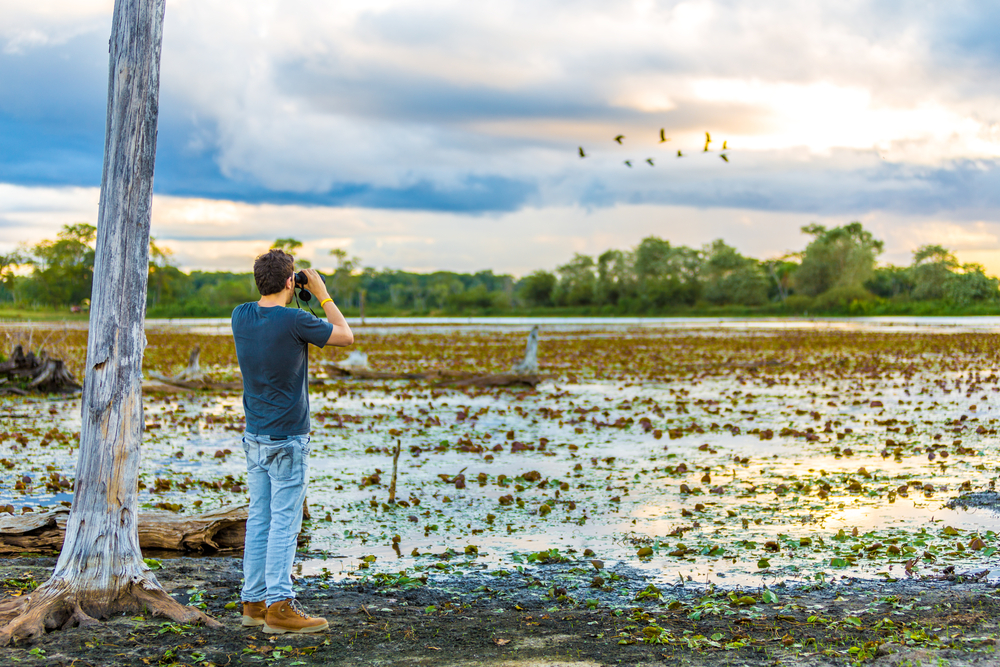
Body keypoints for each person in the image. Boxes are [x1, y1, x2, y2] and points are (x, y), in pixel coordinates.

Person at [231, 248, 353, 634]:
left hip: (255, 437)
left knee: (260, 518)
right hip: (288, 439)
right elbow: (345, 335)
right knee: (285, 523)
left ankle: (253, 603)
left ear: (258, 281)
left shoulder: (241, 315)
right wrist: (322, 292)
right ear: (290, 282)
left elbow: (269, 313)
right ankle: (280, 607)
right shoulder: (296, 320)